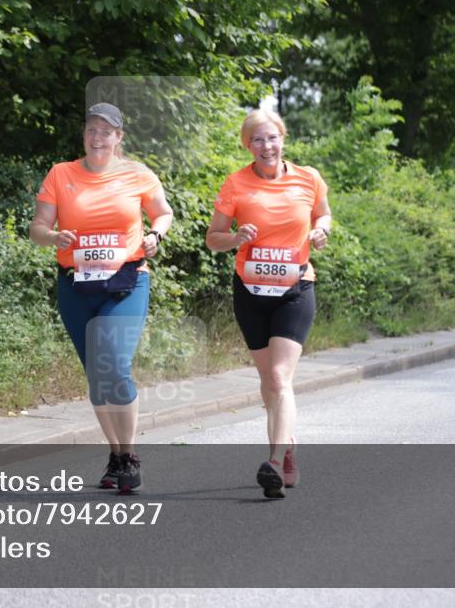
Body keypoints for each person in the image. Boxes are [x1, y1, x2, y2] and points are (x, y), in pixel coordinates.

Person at [29, 102, 174, 494]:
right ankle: (114, 453)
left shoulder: (137, 174)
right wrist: (53, 236)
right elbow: (37, 227)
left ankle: (129, 455)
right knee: (97, 374)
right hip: (76, 284)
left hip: (127, 280)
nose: (97, 137)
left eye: (105, 131)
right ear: (84, 134)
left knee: (114, 363)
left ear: (118, 137)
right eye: (92, 130)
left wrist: (156, 235)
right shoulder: (61, 174)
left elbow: (163, 213)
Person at [205, 108, 331, 499]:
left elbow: (323, 213)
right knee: (268, 383)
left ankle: (274, 462)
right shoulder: (235, 183)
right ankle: (288, 444)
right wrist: (237, 238)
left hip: (295, 289)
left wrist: (321, 229)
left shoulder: (308, 178)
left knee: (279, 378)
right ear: (248, 145)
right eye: (257, 139)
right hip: (250, 292)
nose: (266, 146)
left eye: (272, 137)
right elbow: (213, 238)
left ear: (283, 139)